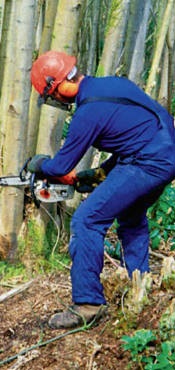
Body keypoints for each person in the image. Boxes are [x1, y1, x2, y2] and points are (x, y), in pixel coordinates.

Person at [28, 50, 175, 329]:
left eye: (53, 95)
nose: (57, 101)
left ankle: (87, 305)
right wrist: (100, 174)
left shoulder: (87, 113)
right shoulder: (113, 84)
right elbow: (144, 129)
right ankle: (139, 284)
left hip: (147, 163)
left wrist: (39, 164)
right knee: (131, 219)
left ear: (59, 86)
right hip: (165, 154)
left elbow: (60, 166)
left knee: (87, 221)